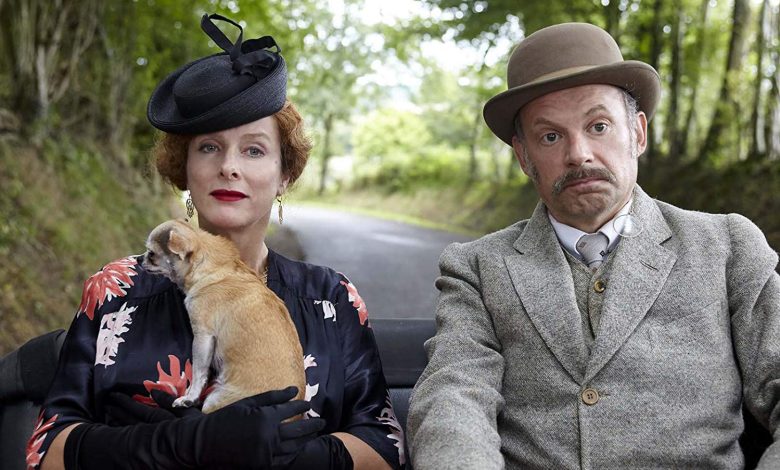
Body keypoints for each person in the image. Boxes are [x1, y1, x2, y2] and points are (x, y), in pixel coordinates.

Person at [27, 14, 404, 470]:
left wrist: (300, 458)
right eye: (209, 147)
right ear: (184, 169)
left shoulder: (332, 298)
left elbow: (386, 446)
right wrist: (168, 446)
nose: (229, 166)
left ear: (284, 175)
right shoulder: (114, 290)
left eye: (254, 149)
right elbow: (44, 448)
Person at [407, 22, 780, 469]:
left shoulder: (727, 248)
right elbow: (453, 401)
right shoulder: (478, 268)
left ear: (637, 133)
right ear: (524, 156)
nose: (578, 154)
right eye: (550, 136)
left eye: (598, 126)